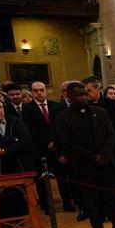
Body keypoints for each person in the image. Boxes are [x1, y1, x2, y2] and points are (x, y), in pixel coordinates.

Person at [56, 82, 115, 228]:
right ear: (69, 97)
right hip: (86, 167)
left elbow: (111, 134)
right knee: (92, 204)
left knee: (113, 202)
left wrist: (105, 154)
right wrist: (93, 157)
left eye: (86, 94)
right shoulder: (63, 118)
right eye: (79, 95)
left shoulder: (100, 112)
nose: (84, 97)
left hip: (107, 164)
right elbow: (69, 144)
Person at [22, 81, 59, 213]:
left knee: (61, 175)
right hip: (39, 149)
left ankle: (67, 202)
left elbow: (58, 126)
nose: (39, 93)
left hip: (57, 147)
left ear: (46, 91)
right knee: (42, 179)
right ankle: (46, 205)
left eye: (41, 90)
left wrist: (54, 141)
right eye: (36, 90)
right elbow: (30, 130)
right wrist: (46, 142)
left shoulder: (55, 105)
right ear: (32, 92)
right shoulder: (27, 109)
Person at [50, 80, 78, 212]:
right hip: (63, 149)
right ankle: (67, 202)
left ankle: (79, 201)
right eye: (66, 90)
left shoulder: (83, 106)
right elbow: (54, 133)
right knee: (63, 179)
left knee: (77, 178)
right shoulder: (56, 110)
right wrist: (59, 153)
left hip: (79, 150)